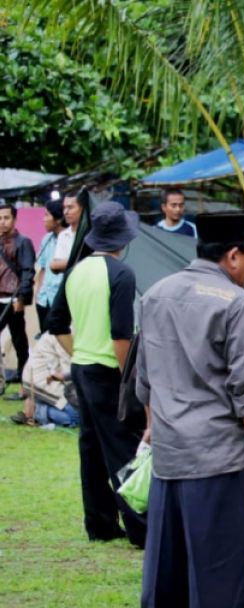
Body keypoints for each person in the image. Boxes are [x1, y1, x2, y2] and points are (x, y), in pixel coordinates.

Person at [136, 211, 244, 608]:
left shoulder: (155, 294)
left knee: (167, 555)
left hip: (172, 451)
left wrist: (156, 428)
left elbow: (144, 378)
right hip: (218, 452)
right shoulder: (237, 304)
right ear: (233, 255)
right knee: (219, 561)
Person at [45, 201, 146, 547]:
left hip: (82, 369)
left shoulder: (76, 270)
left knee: (90, 449)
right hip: (108, 370)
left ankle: (100, 524)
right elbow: (122, 335)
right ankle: (141, 527)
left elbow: (55, 323)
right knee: (123, 448)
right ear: (123, 239)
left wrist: (81, 353)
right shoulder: (122, 274)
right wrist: (127, 379)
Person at [0, 200, 36, 398]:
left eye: (6, 218)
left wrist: (21, 297)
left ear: (14, 219)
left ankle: (24, 385)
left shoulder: (23, 242)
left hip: (13, 300)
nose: (2, 222)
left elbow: (27, 272)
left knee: (20, 342)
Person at [10, 332, 80, 428]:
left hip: (42, 379)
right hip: (41, 382)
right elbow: (68, 368)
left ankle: (37, 403)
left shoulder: (67, 330)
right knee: (77, 417)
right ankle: (36, 411)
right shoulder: (64, 333)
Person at [34, 199, 68, 331]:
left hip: (60, 300)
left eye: (47, 215)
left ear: (58, 219)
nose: (43, 219)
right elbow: (42, 268)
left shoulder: (71, 240)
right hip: (43, 299)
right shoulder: (46, 239)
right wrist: (38, 293)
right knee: (44, 338)